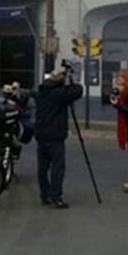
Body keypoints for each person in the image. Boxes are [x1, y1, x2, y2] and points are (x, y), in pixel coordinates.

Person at [34, 64, 83, 209]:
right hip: (55, 135)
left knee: (42, 167)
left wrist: (58, 75)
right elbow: (78, 91)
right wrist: (70, 78)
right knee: (57, 166)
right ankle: (56, 196)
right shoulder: (60, 94)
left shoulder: (41, 91)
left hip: (41, 133)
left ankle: (45, 194)